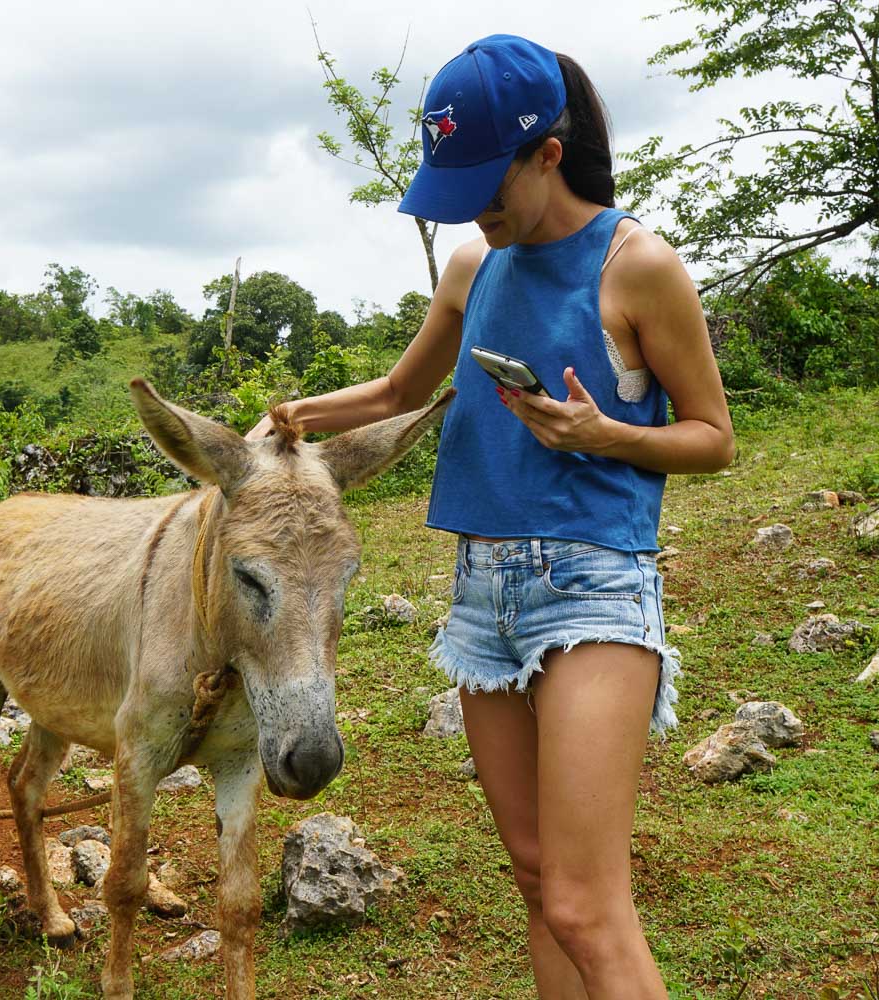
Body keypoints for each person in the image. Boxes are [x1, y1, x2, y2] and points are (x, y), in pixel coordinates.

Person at [246, 34, 734, 998]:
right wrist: (305, 412)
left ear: (546, 153)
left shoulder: (638, 266)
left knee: (587, 906)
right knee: (535, 877)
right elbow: (398, 389)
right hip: (481, 600)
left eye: (487, 182)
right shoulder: (474, 264)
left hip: (593, 586)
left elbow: (713, 435)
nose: (475, 206)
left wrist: (604, 436)